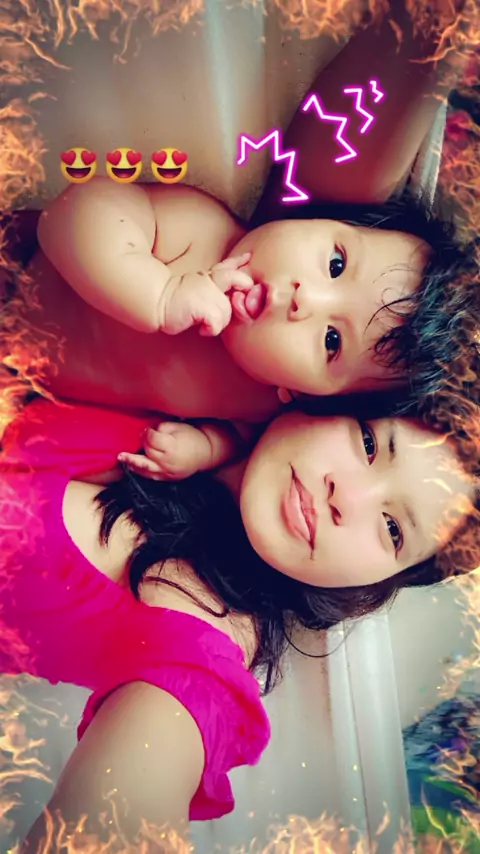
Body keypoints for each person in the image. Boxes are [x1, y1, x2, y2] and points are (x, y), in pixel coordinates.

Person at [1, 387, 479, 851]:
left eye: (392, 529)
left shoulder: (207, 630)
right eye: (370, 443)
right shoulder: (186, 389)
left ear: (377, 584)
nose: (347, 499)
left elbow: (118, 813)